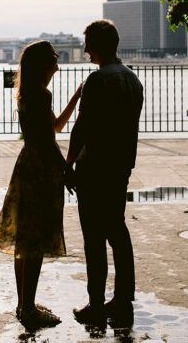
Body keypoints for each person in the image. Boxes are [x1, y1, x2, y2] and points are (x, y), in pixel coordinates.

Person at [0, 40, 83, 329]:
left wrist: (75, 99)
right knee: (36, 240)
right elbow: (48, 139)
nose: (58, 61)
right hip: (41, 168)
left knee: (24, 241)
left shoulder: (30, 93)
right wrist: (66, 168)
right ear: (43, 63)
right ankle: (28, 308)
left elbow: (54, 127)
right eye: (54, 57)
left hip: (27, 164)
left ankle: (23, 304)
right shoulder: (41, 94)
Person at [64, 20, 143, 326]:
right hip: (120, 166)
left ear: (96, 45)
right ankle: (123, 299)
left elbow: (82, 128)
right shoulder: (132, 80)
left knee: (93, 238)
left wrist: (68, 164)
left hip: (94, 168)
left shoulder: (97, 81)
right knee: (118, 232)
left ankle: (95, 303)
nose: (84, 50)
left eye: (87, 44)